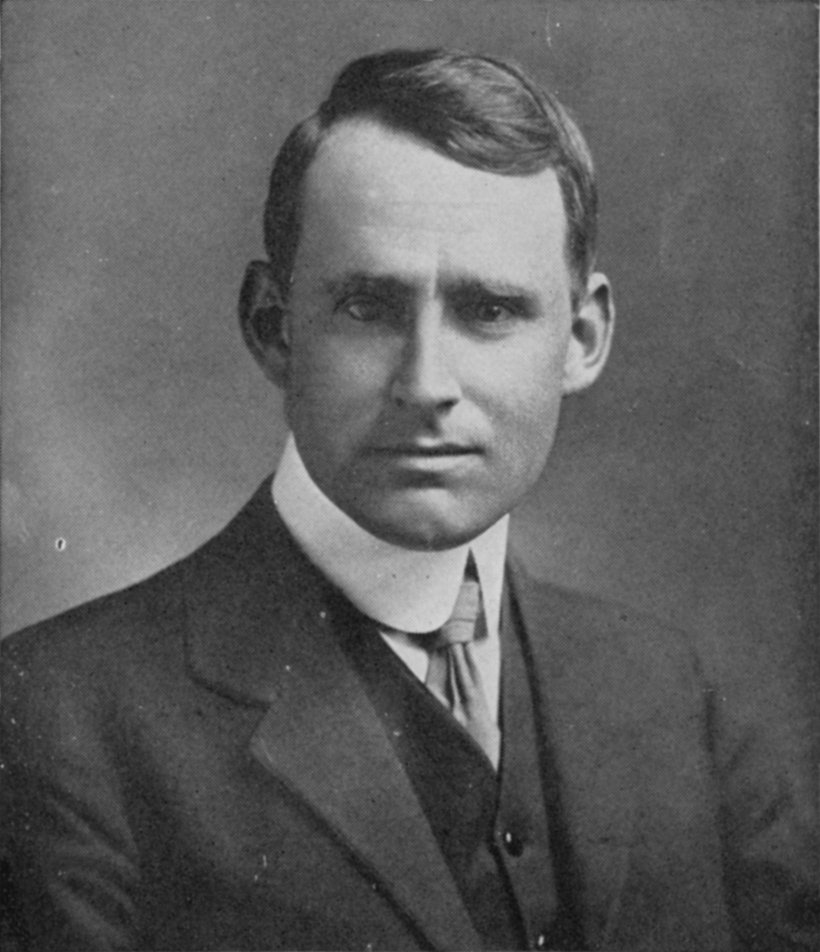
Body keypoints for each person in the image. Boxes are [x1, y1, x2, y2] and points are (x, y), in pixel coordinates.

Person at [1, 48, 817, 952]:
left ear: (583, 337)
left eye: (490, 310)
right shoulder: (57, 718)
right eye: (368, 307)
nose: (427, 384)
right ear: (274, 327)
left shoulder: (672, 696)